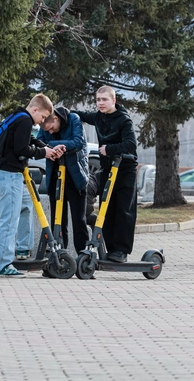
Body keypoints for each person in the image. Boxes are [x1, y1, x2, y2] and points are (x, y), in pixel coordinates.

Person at [0, 94, 63, 277]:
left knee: (25, 205)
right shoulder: (24, 120)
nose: (41, 123)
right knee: (8, 220)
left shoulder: (17, 117)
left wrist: (46, 149)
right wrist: (42, 152)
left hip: (6, 175)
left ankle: (22, 248)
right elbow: (21, 149)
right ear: (35, 109)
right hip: (9, 176)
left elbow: (29, 141)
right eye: (42, 117)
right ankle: (2, 265)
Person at [73, 85, 138, 263]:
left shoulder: (124, 120)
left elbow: (131, 144)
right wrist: (61, 113)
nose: (100, 103)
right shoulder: (99, 117)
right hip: (109, 169)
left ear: (113, 101)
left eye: (104, 100)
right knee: (107, 210)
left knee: (124, 210)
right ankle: (110, 250)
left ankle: (121, 251)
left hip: (125, 170)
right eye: (98, 100)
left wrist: (109, 149)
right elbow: (81, 115)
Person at [37, 107, 90, 254]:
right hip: (55, 175)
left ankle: (83, 255)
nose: (51, 132)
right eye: (48, 131)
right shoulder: (46, 125)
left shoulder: (74, 119)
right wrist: (56, 147)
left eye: (52, 129)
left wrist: (55, 146)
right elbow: (40, 142)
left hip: (75, 177)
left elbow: (78, 142)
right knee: (57, 219)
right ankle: (59, 253)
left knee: (79, 220)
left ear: (56, 118)